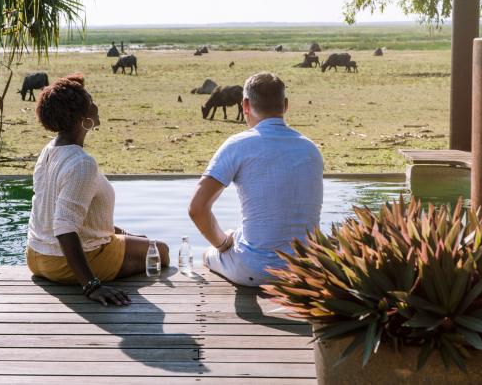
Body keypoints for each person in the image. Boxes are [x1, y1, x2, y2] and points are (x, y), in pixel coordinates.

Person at [26, 73, 170, 305]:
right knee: (160, 252)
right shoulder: (81, 163)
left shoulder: (49, 150)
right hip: (63, 263)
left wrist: (121, 233)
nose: (96, 106)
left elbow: (67, 214)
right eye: (91, 103)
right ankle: (95, 273)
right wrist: (92, 285)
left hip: (36, 256)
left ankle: (117, 245)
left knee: (140, 241)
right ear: (82, 118)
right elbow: (64, 227)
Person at [188, 72, 323, 286]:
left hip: (256, 271)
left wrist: (222, 245)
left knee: (209, 253)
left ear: (245, 105)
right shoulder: (310, 148)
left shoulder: (238, 144)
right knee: (237, 233)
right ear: (285, 105)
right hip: (306, 268)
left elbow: (197, 208)